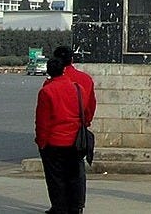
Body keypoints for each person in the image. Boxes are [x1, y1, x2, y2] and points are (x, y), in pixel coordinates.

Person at [35, 57, 86, 214]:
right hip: (75, 140)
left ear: (48, 71)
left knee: (56, 178)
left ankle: (60, 207)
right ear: (64, 70)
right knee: (74, 176)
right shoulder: (78, 88)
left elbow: (42, 121)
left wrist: (41, 142)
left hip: (54, 141)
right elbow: (85, 112)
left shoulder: (46, 91)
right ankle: (75, 207)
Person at [54, 46, 96, 130]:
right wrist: (86, 122)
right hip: (78, 127)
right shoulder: (86, 79)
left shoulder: (52, 82)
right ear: (72, 59)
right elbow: (90, 105)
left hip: (56, 129)